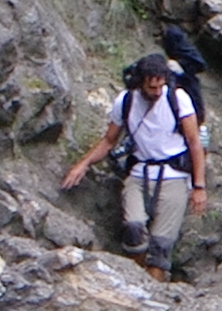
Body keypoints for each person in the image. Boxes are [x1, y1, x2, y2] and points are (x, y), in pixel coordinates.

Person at [61, 51, 206, 277]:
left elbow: (195, 143)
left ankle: (154, 292)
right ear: (140, 84)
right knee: (134, 229)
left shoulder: (178, 99)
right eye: (152, 88)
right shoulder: (126, 101)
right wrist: (83, 164)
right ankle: (136, 279)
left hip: (175, 175)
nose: (157, 92)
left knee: (160, 247)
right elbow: (109, 140)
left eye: (160, 86)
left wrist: (199, 186)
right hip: (140, 172)